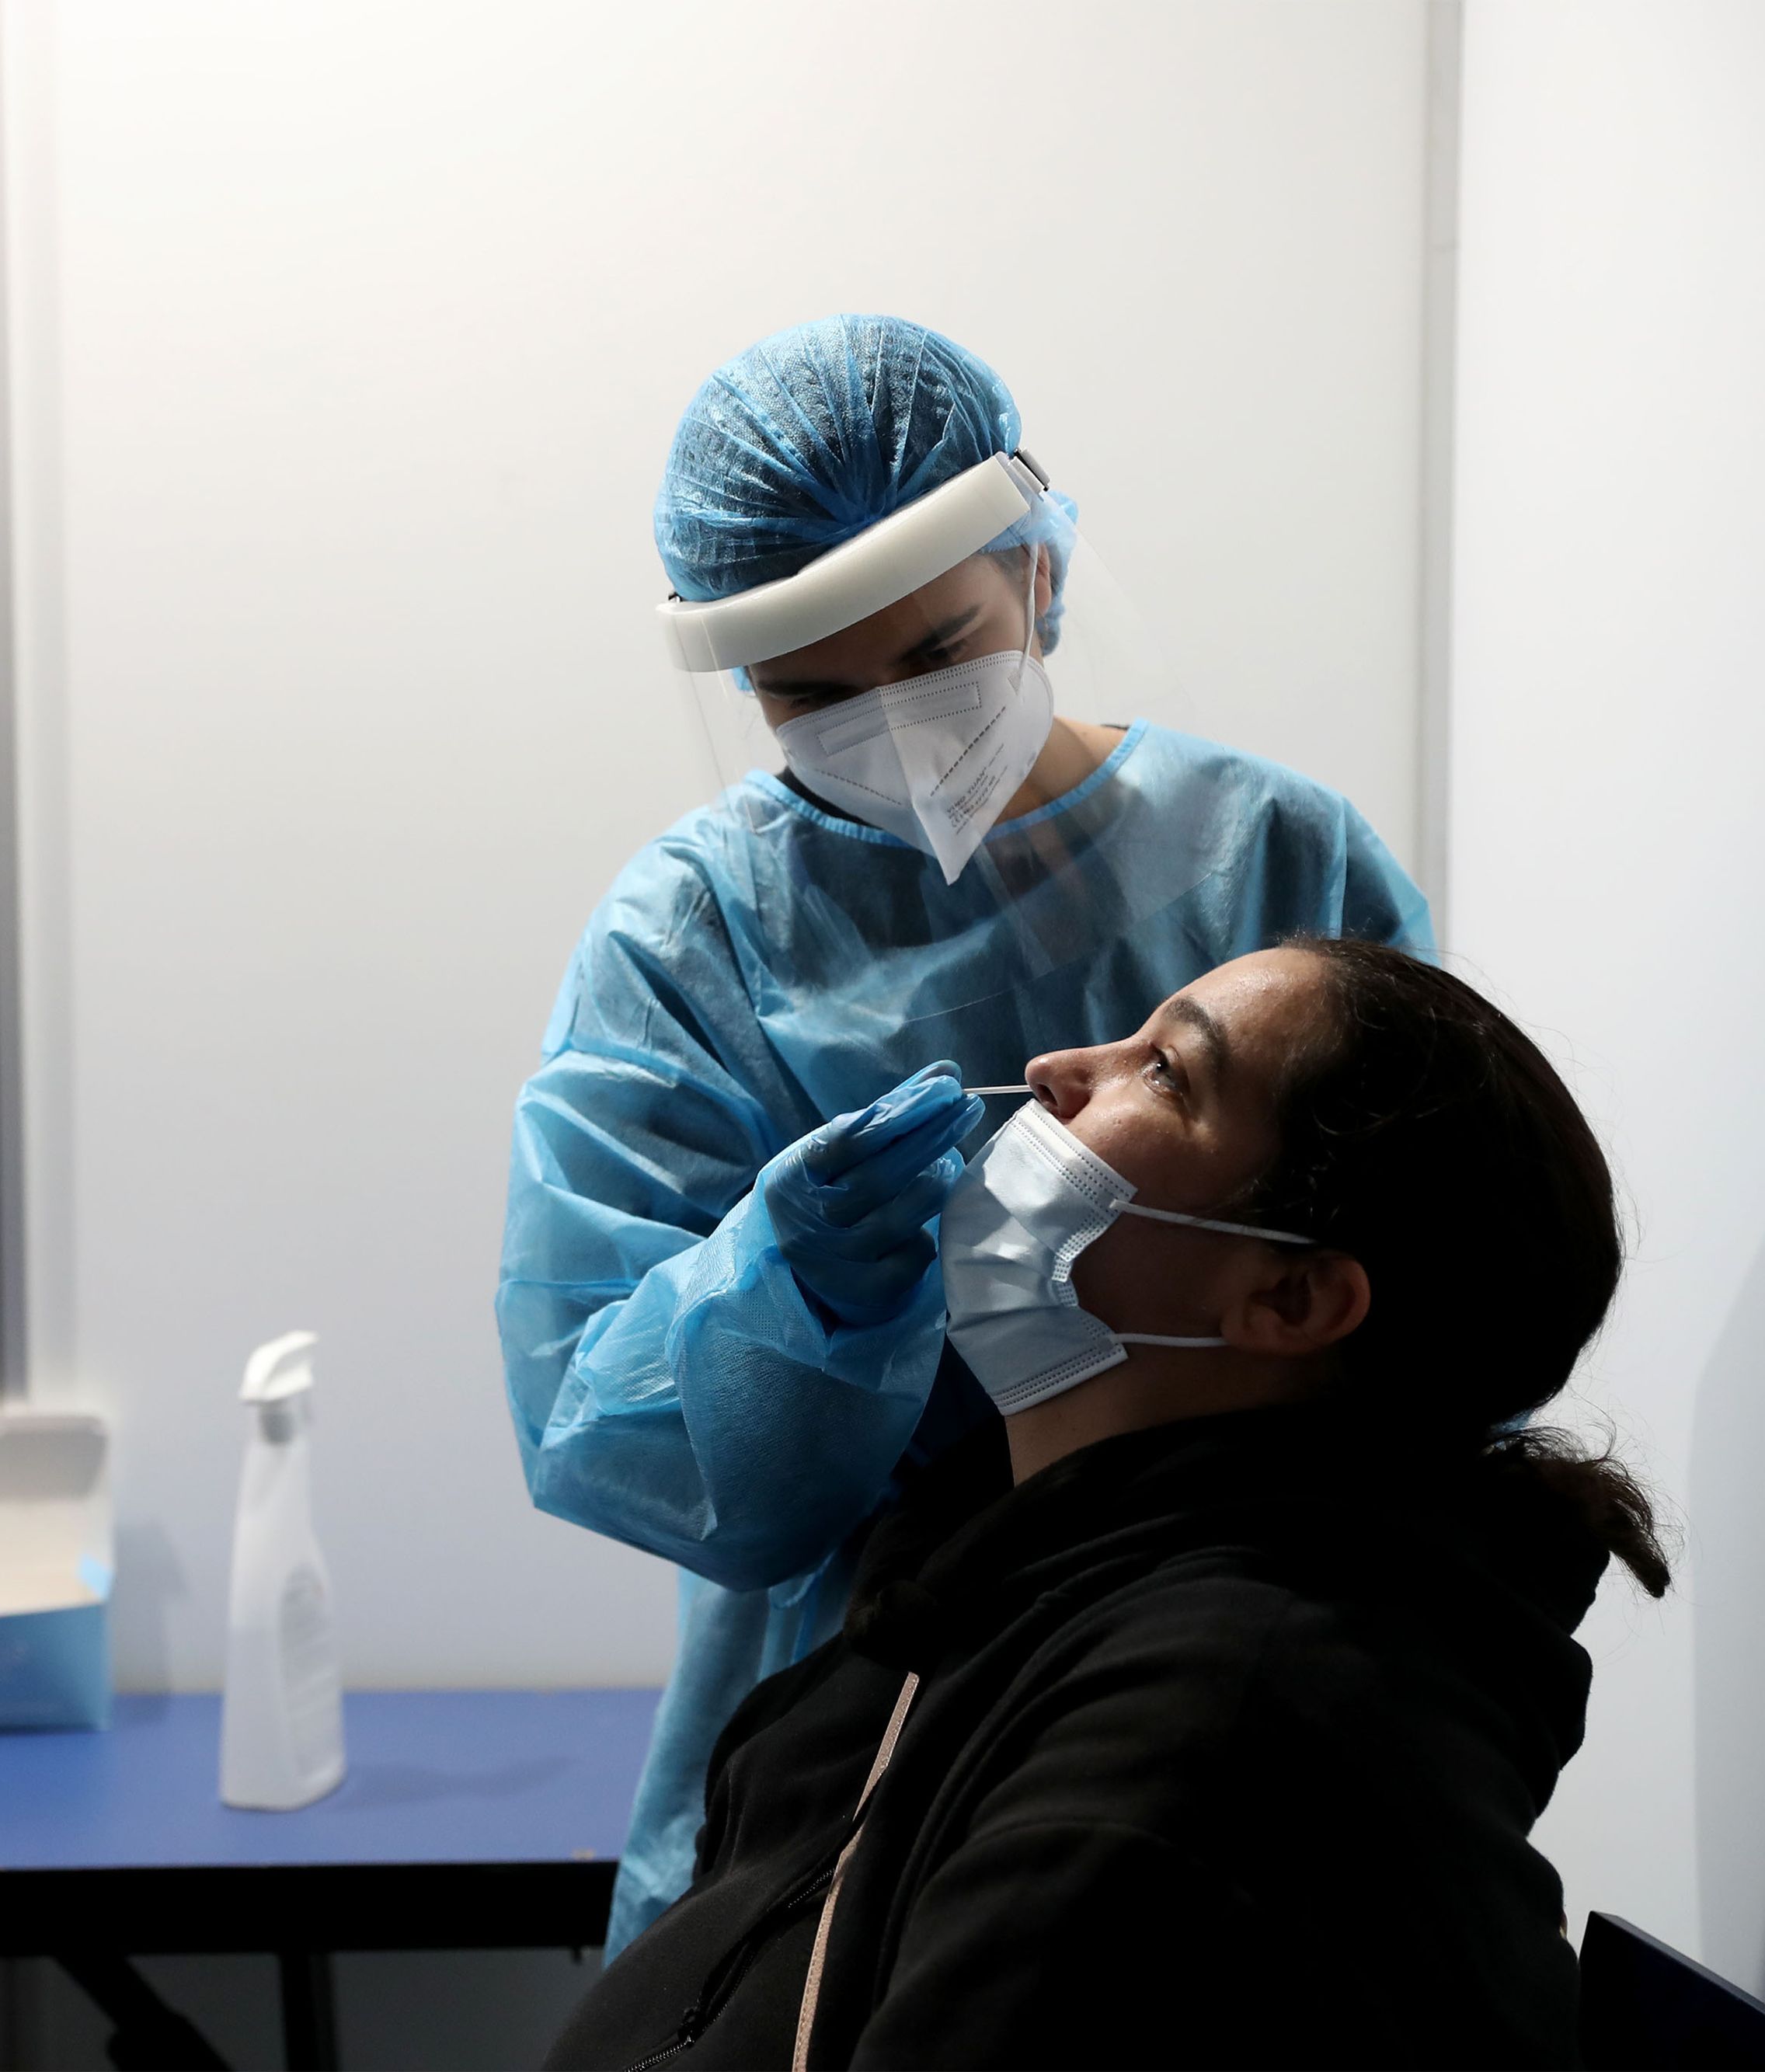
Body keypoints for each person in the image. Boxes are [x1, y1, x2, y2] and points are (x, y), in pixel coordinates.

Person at [497, 315, 1433, 1952]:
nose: (893, 727)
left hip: (1230, 1653)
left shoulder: (1275, 862)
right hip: (847, 1718)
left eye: (937, 655)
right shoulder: (693, 935)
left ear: (1040, 581)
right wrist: (783, 1289)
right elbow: (602, 1420)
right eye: (808, 694)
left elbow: (1440, 1271)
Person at [544, 938, 1667, 2070]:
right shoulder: (1000, 1565)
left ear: (1291, 1295)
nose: (1052, 1069)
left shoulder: (1217, 1740)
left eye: (1168, 1072)